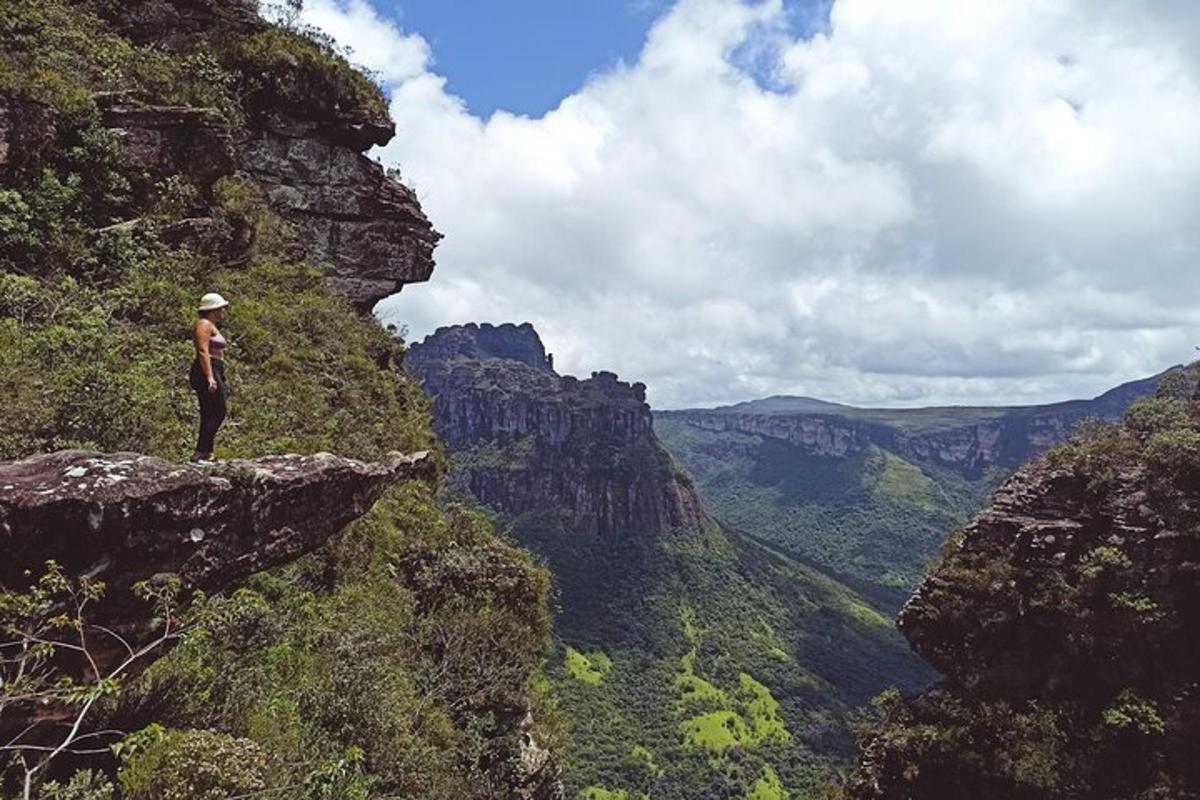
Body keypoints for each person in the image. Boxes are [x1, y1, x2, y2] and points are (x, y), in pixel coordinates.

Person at [189, 292, 230, 463]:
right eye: (221, 309)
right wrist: (210, 376)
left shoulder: (210, 325)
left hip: (215, 368)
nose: (224, 312)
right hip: (207, 368)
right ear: (213, 309)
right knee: (218, 410)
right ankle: (202, 451)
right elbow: (203, 351)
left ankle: (205, 452)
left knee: (210, 412)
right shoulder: (204, 324)